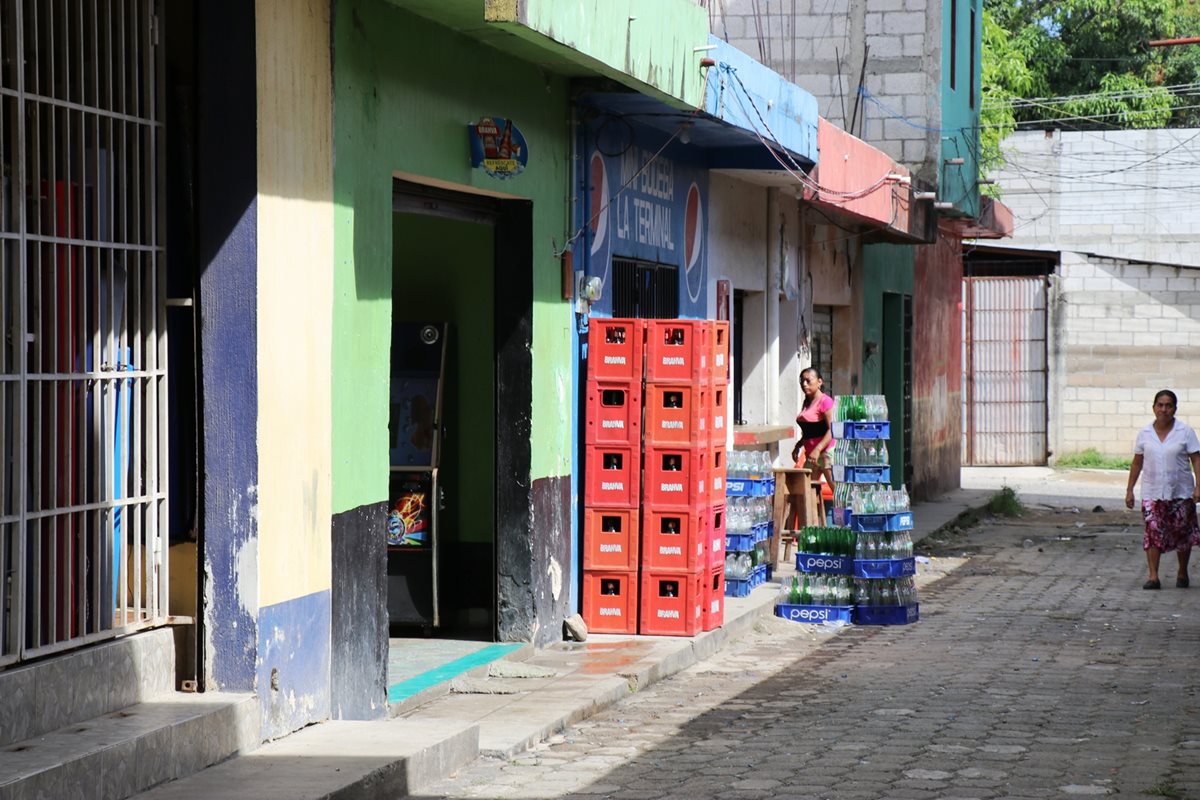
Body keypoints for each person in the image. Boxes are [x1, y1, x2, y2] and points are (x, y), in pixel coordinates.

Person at [1125, 389, 1200, 590]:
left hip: (1180, 492)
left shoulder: (1185, 432)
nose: (1164, 409)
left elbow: (1196, 459)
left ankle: (1182, 572)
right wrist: (1130, 489)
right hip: (1152, 492)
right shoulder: (1145, 433)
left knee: (1182, 533)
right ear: (1154, 408)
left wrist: (1198, 486)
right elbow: (1137, 462)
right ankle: (1153, 577)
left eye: (1168, 406)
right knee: (1152, 530)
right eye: (1160, 405)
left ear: (1174, 409)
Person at [790, 367, 836, 496]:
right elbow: (810, 431)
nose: (804, 384)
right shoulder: (807, 402)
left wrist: (818, 449)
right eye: (802, 381)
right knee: (805, 492)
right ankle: (813, 511)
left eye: (808, 380)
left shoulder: (825, 401)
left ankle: (847, 509)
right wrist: (798, 445)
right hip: (811, 455)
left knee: (837, 490)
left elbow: (832, 429)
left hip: (826, 453)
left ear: (819, 382)